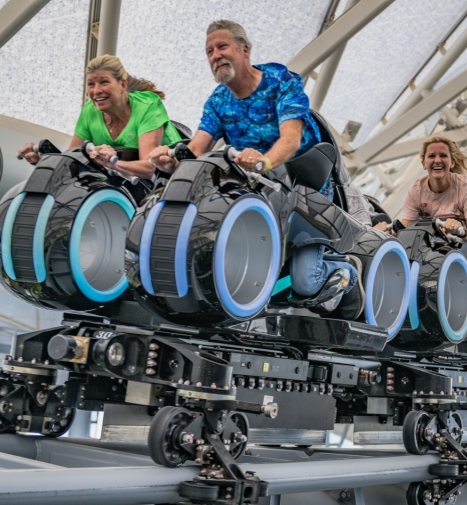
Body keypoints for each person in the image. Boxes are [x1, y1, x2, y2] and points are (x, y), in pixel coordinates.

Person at [148, 19, 362, 317]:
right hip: (256, 193)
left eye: (222, 47)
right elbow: (197, 148)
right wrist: (171, 160)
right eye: (209, 51)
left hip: (305, 190)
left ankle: (348, 274)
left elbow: (291, 139)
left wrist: (265, 161)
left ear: (244, 50)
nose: (215, 56)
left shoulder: (281, 81)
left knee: (306, 282)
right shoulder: (218, 101)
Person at [18, 55, 181, 179]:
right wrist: (39, 160)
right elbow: (70, 161)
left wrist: (112, 164)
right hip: (122, 176)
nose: (96, 91)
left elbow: (149, 168)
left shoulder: (148, 106)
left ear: (123, 85)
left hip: (167, 176)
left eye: (104, 82)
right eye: (91, 84)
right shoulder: (90, 110)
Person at [388, 136, 467, 247]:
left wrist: (460, 230)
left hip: (462, 251)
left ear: (452, 162)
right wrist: (388, 232)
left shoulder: (466, 186)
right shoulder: (416, 189)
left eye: (443, 155)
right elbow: (405, 232)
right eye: (431, 156)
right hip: (432, 251)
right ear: (424, 163)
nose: (438, 160)